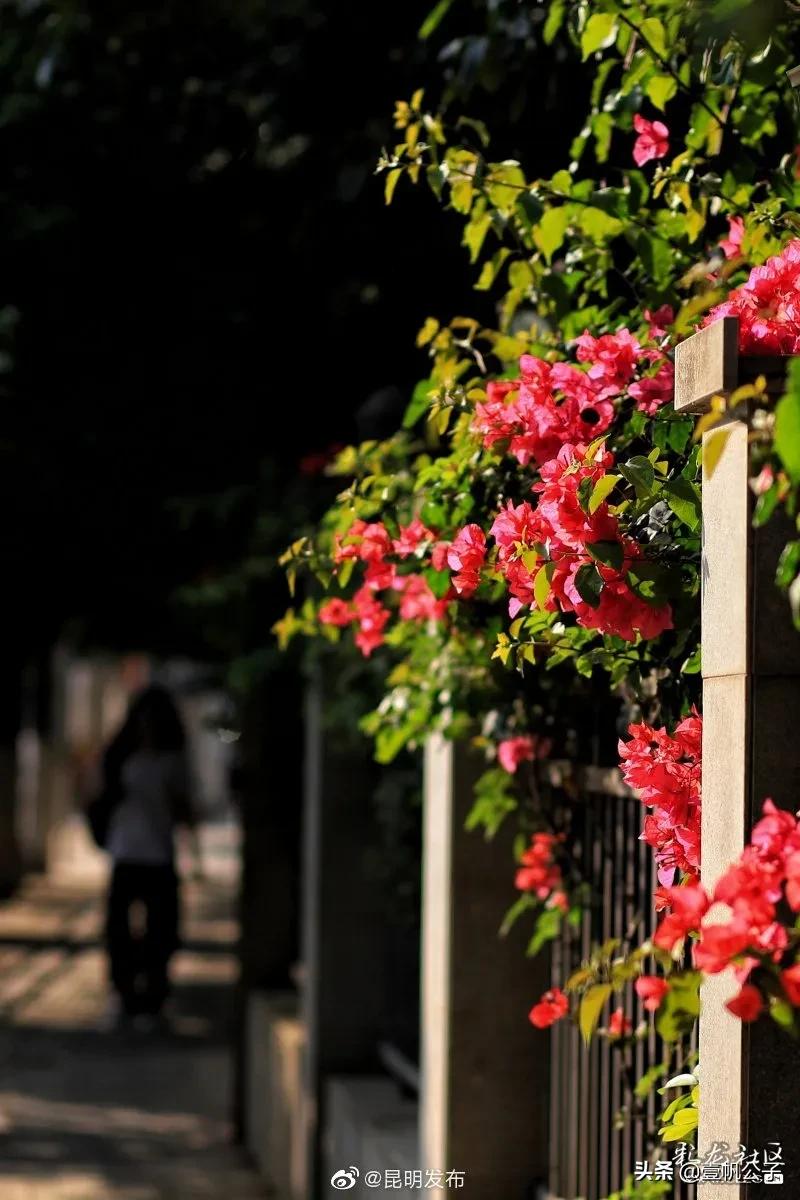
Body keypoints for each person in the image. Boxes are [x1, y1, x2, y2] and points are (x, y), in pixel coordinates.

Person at [100, 684, 196, 1025]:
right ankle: (125, 991)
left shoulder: (172, 760)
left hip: (158, 853)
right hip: (126, 850)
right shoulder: (122, 756)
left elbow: (186, 809)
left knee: (161, 931)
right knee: (119, 931)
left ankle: (154, 993)